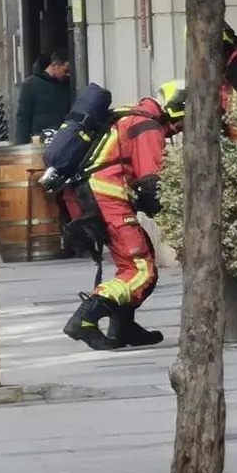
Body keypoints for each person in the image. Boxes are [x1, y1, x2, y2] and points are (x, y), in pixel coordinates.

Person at [60, 80, 186, 351]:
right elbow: (152, 185)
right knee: (140, 268)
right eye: (182, 124)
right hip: (108, 197)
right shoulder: (148, 126)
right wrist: (176, 218)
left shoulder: (131, 115)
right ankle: (85, 318)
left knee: (136, 261)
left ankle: (123, 327)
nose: (177, 130)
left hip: (95, 195)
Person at [14, 50, 72, 144]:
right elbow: (23, 118)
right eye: (66, 70)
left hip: (60, 141)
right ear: (55, 65)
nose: (68, 75)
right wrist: (20, 146)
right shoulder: (31, 84)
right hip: (40, 141)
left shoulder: (66, 86)